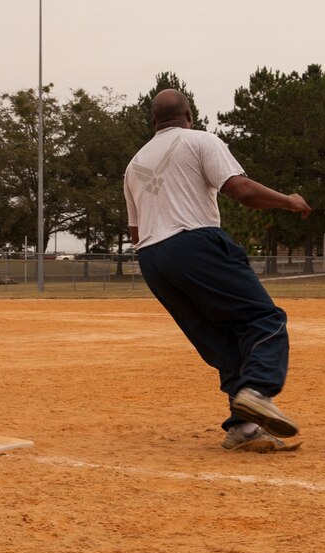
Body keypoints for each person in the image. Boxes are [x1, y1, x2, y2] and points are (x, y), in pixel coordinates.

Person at [123, 89, 312, 452]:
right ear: (189, 115)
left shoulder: (134, 164)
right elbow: (240, 190)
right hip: (194, 243)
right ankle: (258, 391)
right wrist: (288, 201)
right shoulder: (200, 140)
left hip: (152, 258)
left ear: (153, 121)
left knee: (224, 340)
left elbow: (135, 230)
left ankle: (243, 427)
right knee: (264, 319)